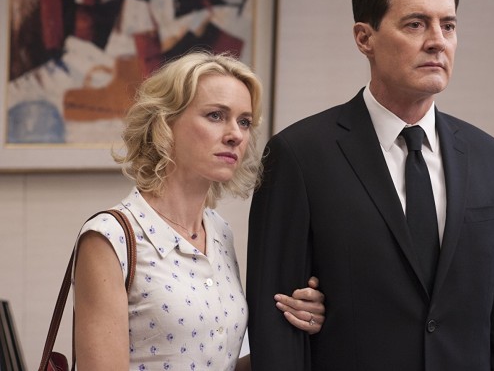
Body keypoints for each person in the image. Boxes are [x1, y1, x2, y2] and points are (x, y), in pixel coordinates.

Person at [246, 0, 494, 370]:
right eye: (415, 24)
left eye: (448, 25)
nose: (437, 40)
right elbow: (277, 325)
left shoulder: (492, 158)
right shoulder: (299, 155)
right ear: (365, 38)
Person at [72, 51, 326, 371]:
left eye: (244, 122)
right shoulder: (109, 238)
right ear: (165, 123)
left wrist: (292, 326)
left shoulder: (219, 231)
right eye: (216, 115)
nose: (236, 135)